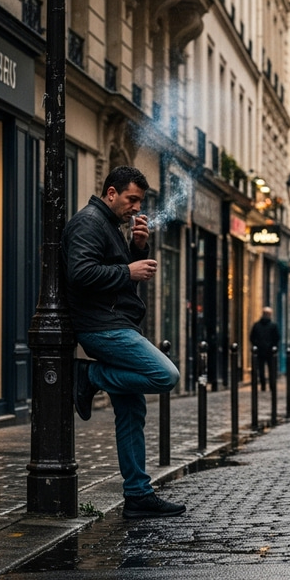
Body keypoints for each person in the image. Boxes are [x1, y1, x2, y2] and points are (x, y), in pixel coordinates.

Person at [62, 166, 185, 519]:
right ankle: (89, 377)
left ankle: (137, 494)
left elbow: (110, 276)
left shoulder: (110, 226)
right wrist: (128, 271)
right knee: (165, 375)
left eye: (140, 201)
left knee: (132, 412)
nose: (136, 207)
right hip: (103, 328)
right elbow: (81, 273)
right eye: (131, 199)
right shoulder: (89, 222)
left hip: (116, 322)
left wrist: (137, 248)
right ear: (111, 192)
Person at [250, 306, 280, 391]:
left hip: (262, 351)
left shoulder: (258, 325)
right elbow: (277, 338)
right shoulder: (272, 325)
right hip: (267, 351)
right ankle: (269, 386)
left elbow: (252, 338)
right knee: (267, 370)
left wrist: (257, 344)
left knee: (264, 370)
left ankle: (266, 385)